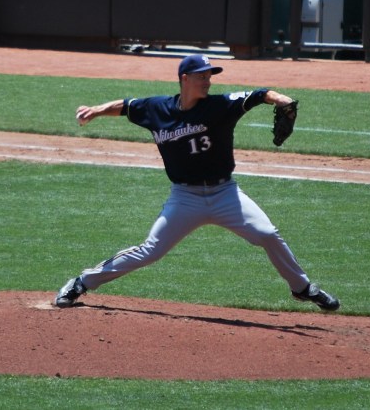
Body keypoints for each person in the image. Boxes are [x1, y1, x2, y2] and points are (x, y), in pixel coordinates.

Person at [54, 54, 341, 314]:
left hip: (225, 194)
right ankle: (81, 282)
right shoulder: (157, 108)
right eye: (202, 76)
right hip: (185, 198)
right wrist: (95, 110)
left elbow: (258, 95)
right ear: (185, 79)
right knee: (150, 250)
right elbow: (127, 106)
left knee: (267, 234)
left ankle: (302, 288)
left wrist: (280, 99)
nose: (208, 81)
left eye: (209, 76)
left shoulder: (220, 106)